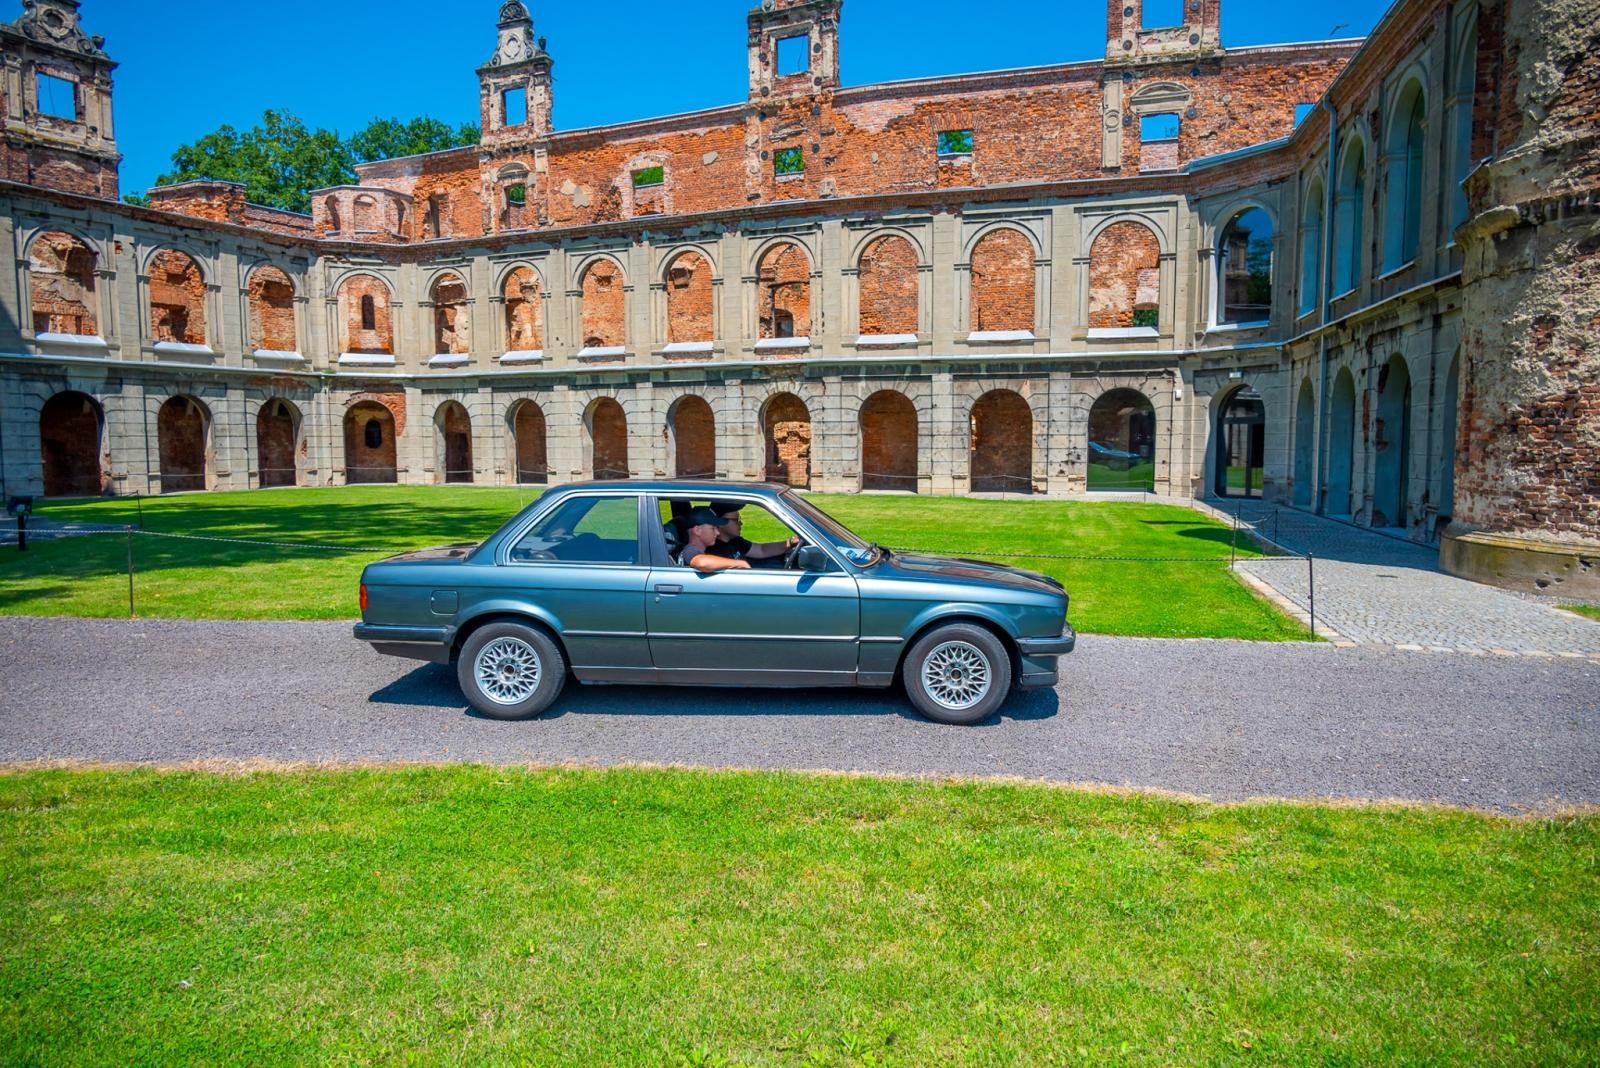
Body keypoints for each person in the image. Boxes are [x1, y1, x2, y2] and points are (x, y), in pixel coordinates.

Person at [707, 500, 799, 564]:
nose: (741, 523)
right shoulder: (713, 549)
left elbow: (761, 550)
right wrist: (741, 564)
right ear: (721, 522)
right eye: (736, 520)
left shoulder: (735, 541)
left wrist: (789, 543)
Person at [676, 506, 751, 571]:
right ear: (697, 530)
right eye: (712, 528)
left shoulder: (697, 550)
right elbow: (702, 562)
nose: (718, 533)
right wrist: (740, 563)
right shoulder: (690, 550)